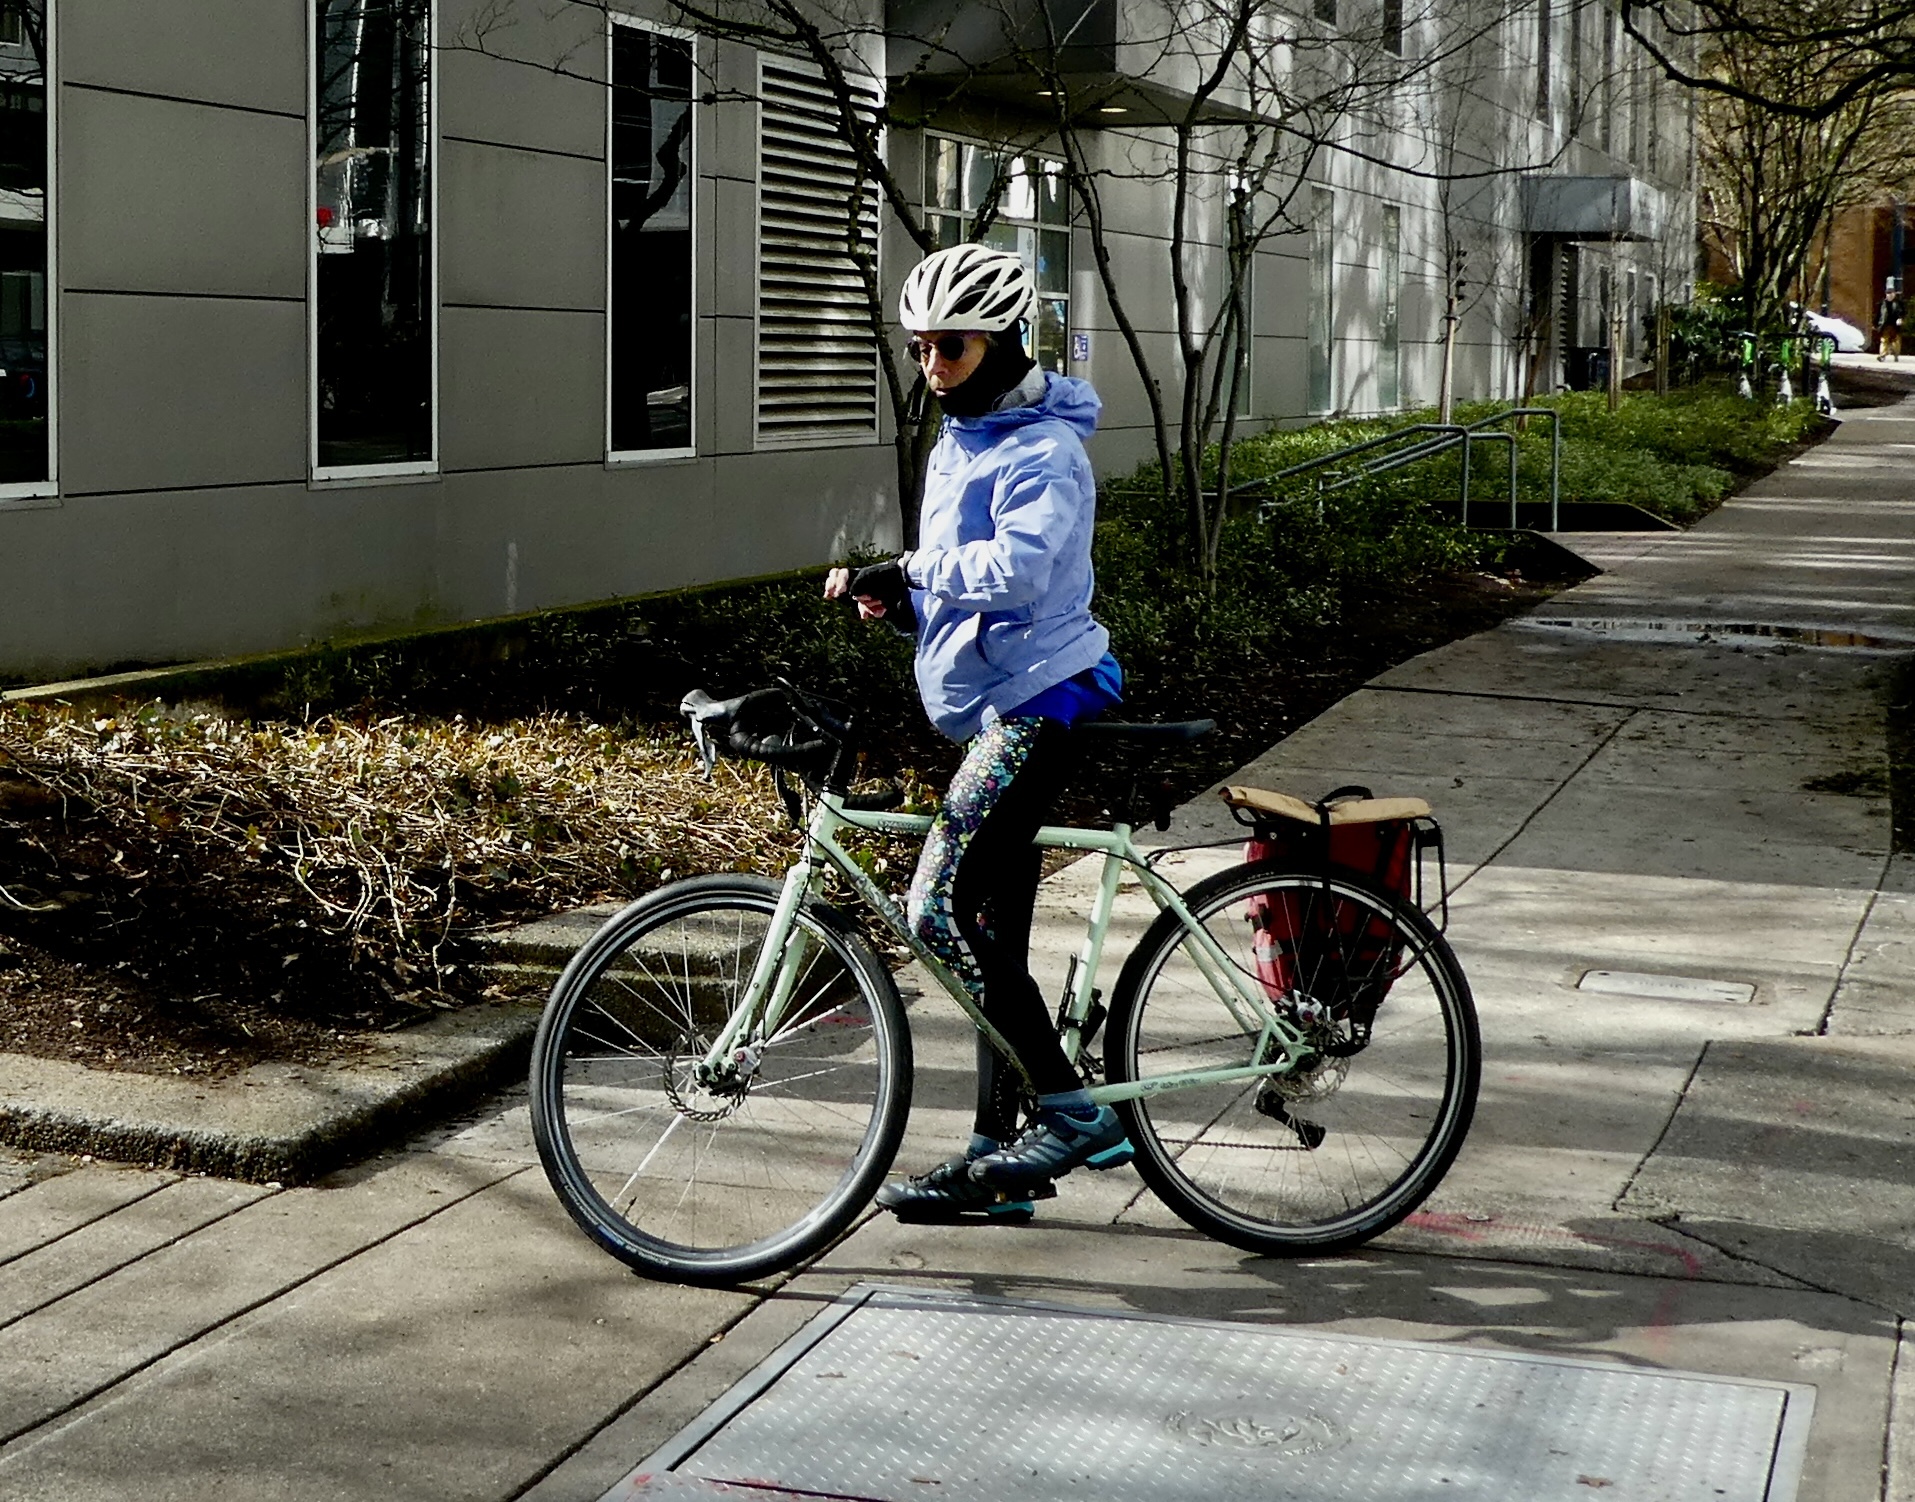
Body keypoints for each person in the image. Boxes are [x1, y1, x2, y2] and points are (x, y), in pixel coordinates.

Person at [823, 243, 1130, 1223]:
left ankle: (1072, 1112)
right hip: (1005, 698)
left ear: (1000, 341)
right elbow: (970, 583)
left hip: (1047, 700)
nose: (932, 365)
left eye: (949, 347)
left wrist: (910, 568)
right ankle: (1000, 1161)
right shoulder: (964, 439)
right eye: (918, 347)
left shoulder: (1045, 450)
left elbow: (1018, 572)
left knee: (933, 911)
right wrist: (907, 605)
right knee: (989, 936)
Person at [1877, 285, 1905, 362]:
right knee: (1884, 340)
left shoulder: (1899, 303)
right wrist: (1876, 323)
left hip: (1895, 325)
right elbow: (1879, 314)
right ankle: (1882, 355)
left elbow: (1903, 312)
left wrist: (1900, 318)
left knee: (1895, 341)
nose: (1889, 295)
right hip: (1885, 325)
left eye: (1891, 293)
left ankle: (1896, 355)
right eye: (1888, 294)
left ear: (1894, 294)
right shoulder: (1882, 303)